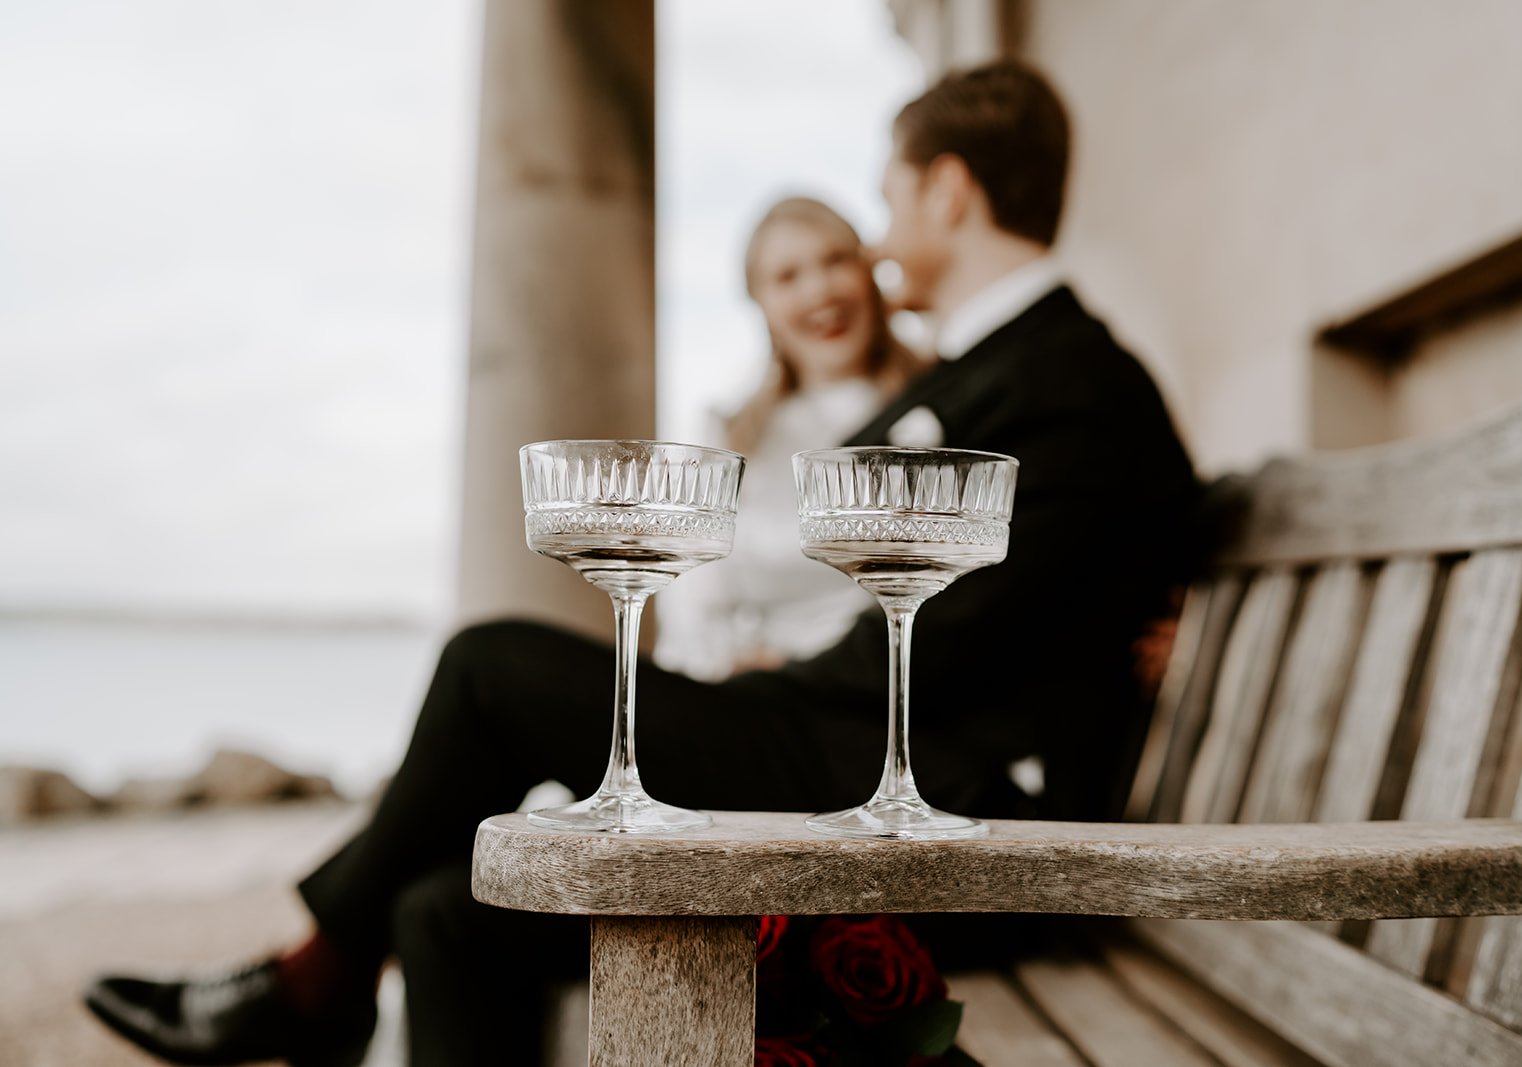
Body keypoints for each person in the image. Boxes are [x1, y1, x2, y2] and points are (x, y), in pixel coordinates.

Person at [83, 59, 1207, 1067]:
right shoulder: (1002, 373)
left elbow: (977, 627)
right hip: (857, 752)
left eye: (893, 194)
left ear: (948, 190)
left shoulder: (1070, 379)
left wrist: (741, 702)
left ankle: (313, 978)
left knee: (490, 666)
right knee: (441, 907)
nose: (880, 229)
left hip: (942, 810)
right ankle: (325, 973)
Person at [652, 195, 932, 682]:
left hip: (874, 693)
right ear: (759, 301)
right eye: (787, 277)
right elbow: (690, 594)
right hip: (738, 693)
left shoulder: (935, 409)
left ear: (869, 273)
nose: (819, 290)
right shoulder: (727, 433)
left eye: (835, 261)